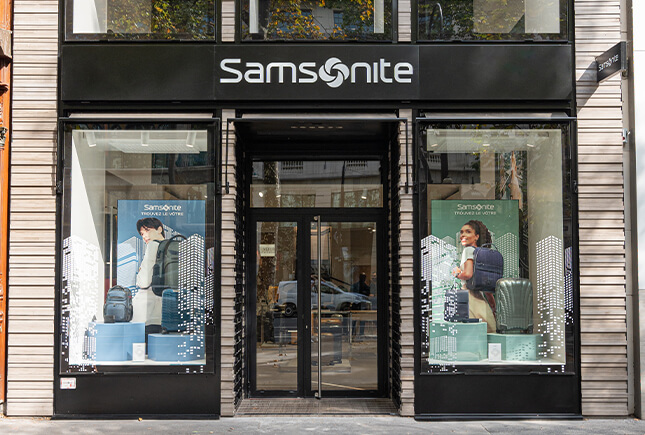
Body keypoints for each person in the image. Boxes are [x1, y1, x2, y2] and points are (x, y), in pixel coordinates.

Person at [451, 220, 496, 333]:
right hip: (481, 300)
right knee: (489, 332)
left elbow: (468, 274)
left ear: (476, 236)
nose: (463, 235)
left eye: (468, 232)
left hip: (468, 297)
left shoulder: (468, 250)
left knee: (471, 334)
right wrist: (493, 306)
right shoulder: (481, 253)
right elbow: (486, 285)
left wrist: (456, 273)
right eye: (462, 232)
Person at [133, 217, 165, 336]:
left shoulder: (153, 246)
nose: (144, 236)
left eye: (147, 230)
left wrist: (139, 275)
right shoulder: (173, 247)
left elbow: (144, 281)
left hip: (147, 310)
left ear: (159, 229)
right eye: (142, 234)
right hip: (165, 309)